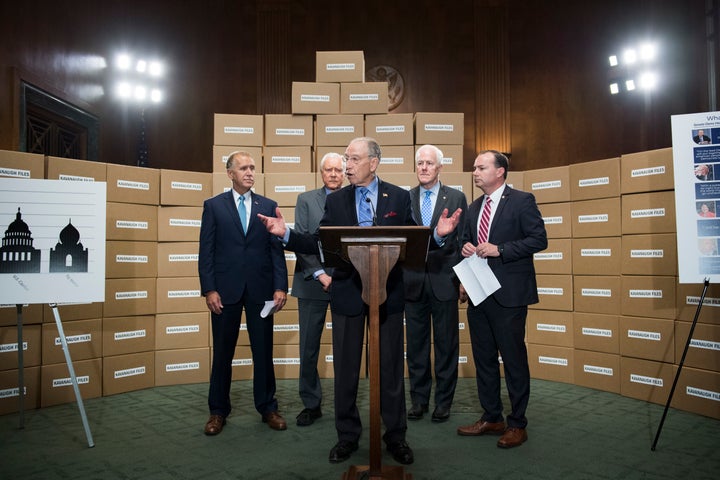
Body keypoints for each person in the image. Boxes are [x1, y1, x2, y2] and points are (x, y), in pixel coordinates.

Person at [258, 137, 462, 466]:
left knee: (391, 369)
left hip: (389, 294)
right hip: (349, 293)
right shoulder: (337, 200)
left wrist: (437, 235)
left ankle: (396, 436)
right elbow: (318, 242)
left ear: (373, 162)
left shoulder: (397, 196)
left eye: (353, 159)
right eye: (346, 159)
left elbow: (414, 240)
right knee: (347, 370)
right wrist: (285, 234)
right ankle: (347, 437)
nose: (347, 166)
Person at [456, 150, 547, 449]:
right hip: (478, 294)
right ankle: (492, 417)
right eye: (474, 168)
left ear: (500, 171)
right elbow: (464, 242)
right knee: (483, 359)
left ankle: (517, 423)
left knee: (513, 360)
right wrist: (466, 248)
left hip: (509, 295)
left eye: (481, 167)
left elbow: (539, 239)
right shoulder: (473, 207)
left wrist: (500, 249)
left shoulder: (522, 201)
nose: (475, 172)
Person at [198, 150, 289, 436]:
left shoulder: (269, 204)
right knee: (223, 353)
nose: (250, 172)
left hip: (261, 291)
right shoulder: (214, 206)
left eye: (252, 168)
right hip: (225, 292)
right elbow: (206, 252)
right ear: (230, 173)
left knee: (263, 352)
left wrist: (280, 286)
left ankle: (268, 407)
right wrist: (209, 289)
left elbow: (276, 251)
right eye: (244, 168)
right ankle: (217, 411)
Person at [404, 144, 467, 423]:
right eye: (420, 163)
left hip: (445, 281)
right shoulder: (404, 199)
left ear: (440, 167)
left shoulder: (456, 197)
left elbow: (464, 241)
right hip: (413, 283)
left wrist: (464, 280)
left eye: (429, 163)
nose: (424, 168)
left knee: (446, 345)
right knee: (416, 347)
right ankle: (418, 401)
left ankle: (443, 402)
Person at [292, 152, 345, 427]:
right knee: (309, 347)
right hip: (312, 282)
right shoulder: (305, 200)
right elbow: (301, 239)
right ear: (321, 172)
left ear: (345, 172)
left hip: (347, 282)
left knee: (346, 348)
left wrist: (339, 275)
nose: (334, 174)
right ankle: (311, 404)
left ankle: (345, 405)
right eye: (329, 170)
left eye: (338, 169)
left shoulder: (354, 198)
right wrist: (321, 274)